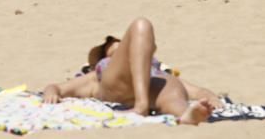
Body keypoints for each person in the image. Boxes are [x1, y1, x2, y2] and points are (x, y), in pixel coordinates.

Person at [43, 18, 215, 125]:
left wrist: (211, 97)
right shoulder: (98, 72)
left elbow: (197, 91)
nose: (119, 42)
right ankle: (142, 105)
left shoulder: (157, 67)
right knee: (142, 25)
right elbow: (58, 88)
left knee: (172, 89)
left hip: (153, 82)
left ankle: (184, 114)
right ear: (104, 51)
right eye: (112, 41)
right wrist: (51, 93)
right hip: (119, 86)